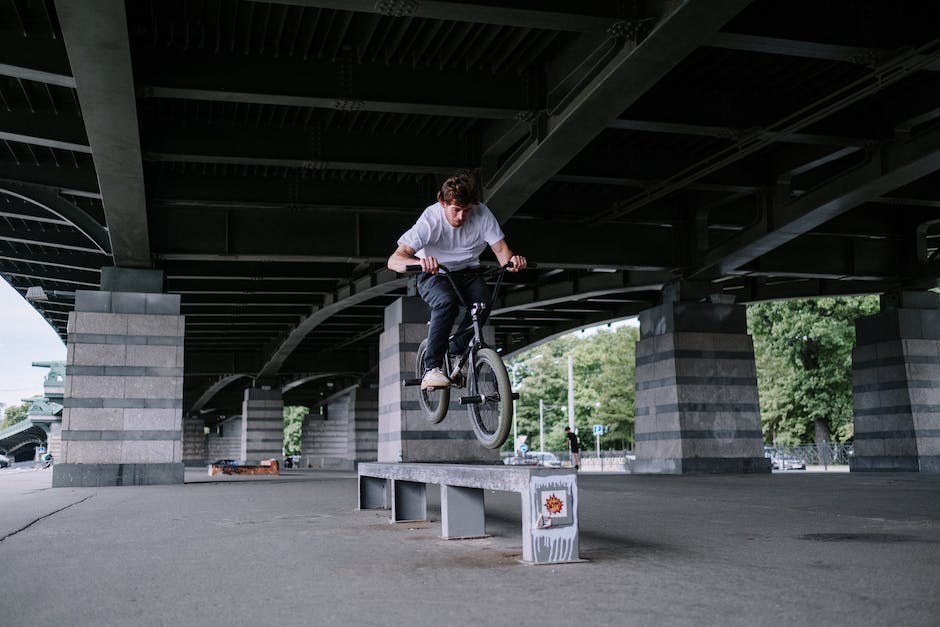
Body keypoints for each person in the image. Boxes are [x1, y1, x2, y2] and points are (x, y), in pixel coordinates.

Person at [388, 170, 527, 390]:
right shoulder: (430, 219)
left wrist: (514, 262)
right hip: (434, 273)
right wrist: (419, 263)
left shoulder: (482, 214)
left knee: (483, 304)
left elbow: (501, 251)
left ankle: (456, 349)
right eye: (456, 210)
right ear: (442, 203)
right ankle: (431, 369)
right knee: (446, 303)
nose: (462, 217)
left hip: (469, 272)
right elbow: (394, 260)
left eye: (467, 210)